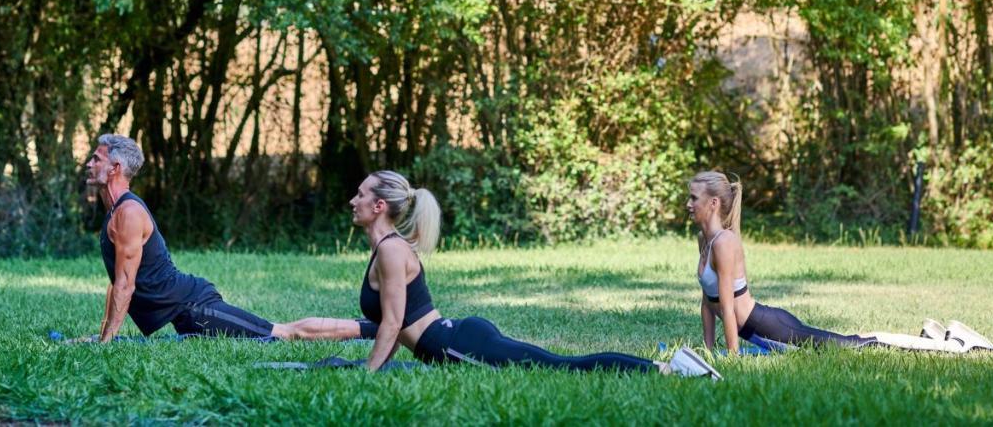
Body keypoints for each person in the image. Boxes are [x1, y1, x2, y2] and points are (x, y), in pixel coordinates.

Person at [280, 169, 719, 377]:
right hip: (455, 336)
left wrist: (368, 374)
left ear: (379, 206)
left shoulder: (392, 252)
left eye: (359, 195)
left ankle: (670, 369)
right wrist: (373, 364)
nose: (351, 201)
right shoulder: (387, 250)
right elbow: (390, 324)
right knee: (553, 363)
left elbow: (393, 323)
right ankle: (670, 367)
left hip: (454, 345)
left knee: (561, 367)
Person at [81, 133, 363, 343]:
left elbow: (126, 286)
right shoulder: (115, 212)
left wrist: (106, 345)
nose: (89, 164)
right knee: (281, 331)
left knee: (284, 332)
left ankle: (370, 328)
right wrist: (103, 335)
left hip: (195, 307)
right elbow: (117, 282)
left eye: (97, 158)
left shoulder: (128, 213)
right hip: (185, 314)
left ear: (115, 168)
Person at [687, 170, 878, 354]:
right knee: (839, 344)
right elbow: (708, 303)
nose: (688, 204)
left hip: (769, 327)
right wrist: (708, 351)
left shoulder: (724, 242)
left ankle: (893, 341)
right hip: (755, 333)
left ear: (713, 203)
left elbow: (728, 308)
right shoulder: (704, 239)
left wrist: (732, 356)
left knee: (849, 345)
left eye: (694, 198)